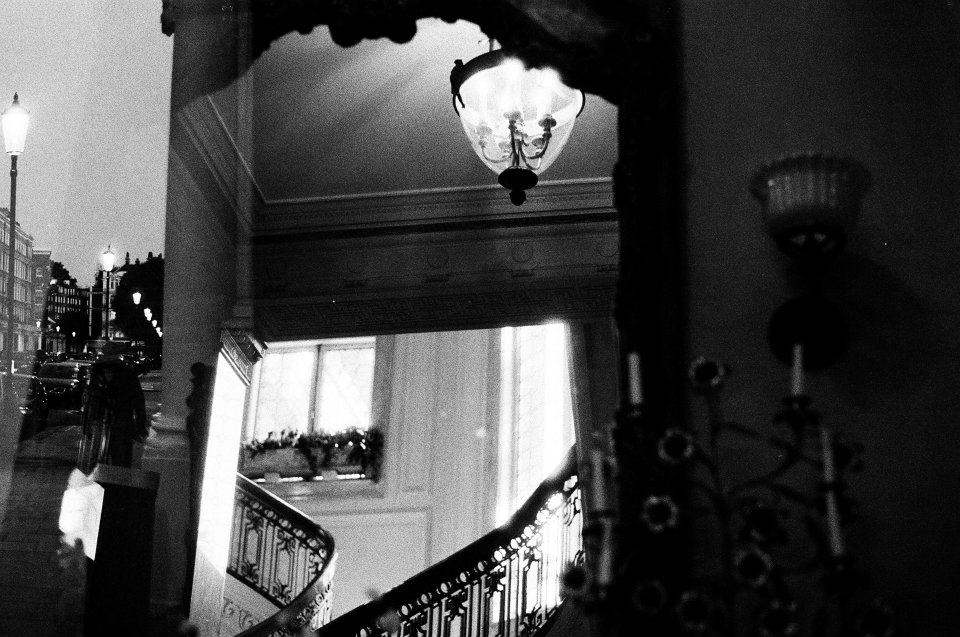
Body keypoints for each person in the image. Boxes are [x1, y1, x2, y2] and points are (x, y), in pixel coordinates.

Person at [77, 356, 148, 472]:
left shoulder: (123, 379)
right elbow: (91, 402)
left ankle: (115, 474)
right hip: (105, 421)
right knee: (104, 455)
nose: (108, 374)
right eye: (106, 371)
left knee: (119, 456)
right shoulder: (99, 379)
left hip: (120, 421)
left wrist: (140, 424)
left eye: (110, 371)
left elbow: (137, 401)